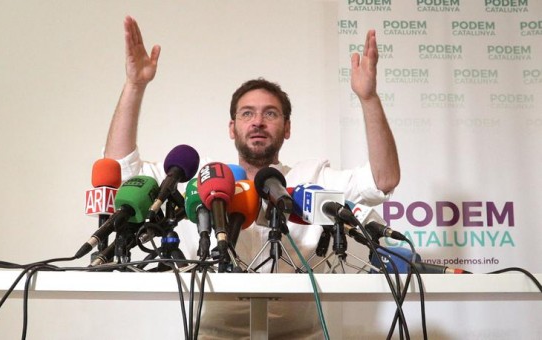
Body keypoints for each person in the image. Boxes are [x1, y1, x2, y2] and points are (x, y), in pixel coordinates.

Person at [103, 16, 400, 339]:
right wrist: (135, 85)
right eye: (247, 113)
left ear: (287, 128)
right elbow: (121, 170)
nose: (257, 122)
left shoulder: (310, 178)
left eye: (270, 113)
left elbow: (382, 180)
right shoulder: (202, 183)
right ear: (232, 128)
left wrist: (369, 99)